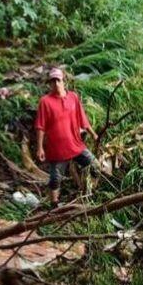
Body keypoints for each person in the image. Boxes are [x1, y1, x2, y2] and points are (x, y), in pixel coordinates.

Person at [35, 68, 98, 203]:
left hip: (75, 144)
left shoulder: (73, 97)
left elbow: (82, 118)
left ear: (64, 81)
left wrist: (93, 134)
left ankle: (92, 192)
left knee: (95, 165)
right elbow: (40, 126)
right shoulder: (45, 102)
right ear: (49, 84)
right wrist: (40, 148)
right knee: (55, 179)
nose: (56, 83)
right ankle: (54, 205)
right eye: (53, 81)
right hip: (57, 148)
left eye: (58, 80)